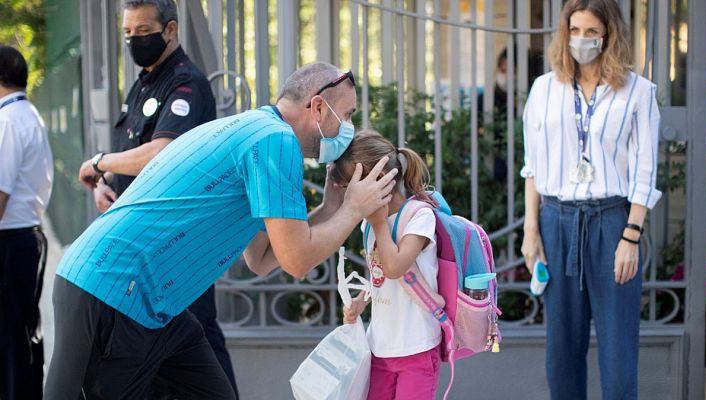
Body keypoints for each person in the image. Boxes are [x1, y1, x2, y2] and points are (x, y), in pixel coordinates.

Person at [44, 62, 397, 400]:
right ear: (317, 107)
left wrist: (332, 208)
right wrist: (353, 209)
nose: (350, 126)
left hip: (152, 304)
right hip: (116, 290)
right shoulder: (275, 140)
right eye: (348, 114)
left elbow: (261, 258)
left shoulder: (257, 131)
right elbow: (297, 260)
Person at [75, 0, 239, 396]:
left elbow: (162, 151)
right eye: (128, 33)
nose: (134, 41)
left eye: (143, 32)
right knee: (156, 352)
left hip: (178, 246)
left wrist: (100, 161)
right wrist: (105, 183)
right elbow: (131, 154)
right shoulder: (145, 82)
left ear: (170, 30)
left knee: (198, 341)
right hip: (144, 244)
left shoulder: (186, 84)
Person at [519, 0, 661, 399]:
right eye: (575, 31)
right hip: (557, 221)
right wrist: (532, 231)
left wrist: (631, 235)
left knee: (618, 352)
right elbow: (532, 168)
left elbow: (645, 170)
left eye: (592, 32)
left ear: (609, 35)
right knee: (562, 351)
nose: (582, 40)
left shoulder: (638, 92)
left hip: (613, 222)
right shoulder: (544, 90)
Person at [335, 130, 441, 400]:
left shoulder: (419, 218)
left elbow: (395, 268)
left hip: (416, 348)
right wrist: (361, 300)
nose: (349, 198)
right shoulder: (370, 224)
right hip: (380, 347)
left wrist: (380, 223)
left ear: (380, 180)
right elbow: (380, 275)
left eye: (350, 188)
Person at [0, 45, 54, 400]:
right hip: (27, 236)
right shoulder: (29, 114)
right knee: (26, 333)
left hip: (8, 241)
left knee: (9, 342)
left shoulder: (5, 122)